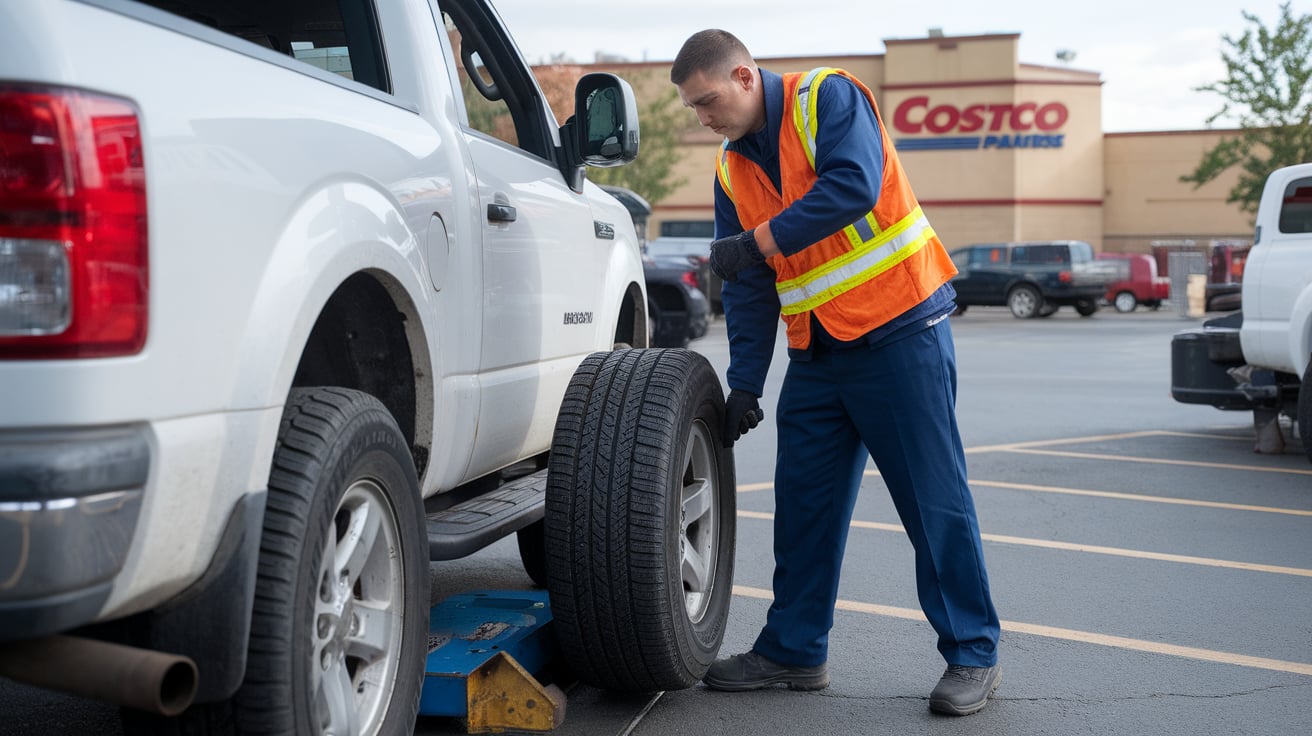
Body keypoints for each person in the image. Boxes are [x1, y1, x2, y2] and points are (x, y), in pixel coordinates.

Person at [670, 29, 1002, 716]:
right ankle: (794, 651)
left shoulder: (826, 98)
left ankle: (973, 653)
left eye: (707, 102)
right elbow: (753, 285)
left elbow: (853, 187)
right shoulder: (732, 169)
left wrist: (754, 242)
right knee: (803, 508)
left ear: (741, 75)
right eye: (693, 109)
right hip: (818, 356)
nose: (703, 119)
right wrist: (745, 382)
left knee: (933, 504)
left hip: (902, 333)